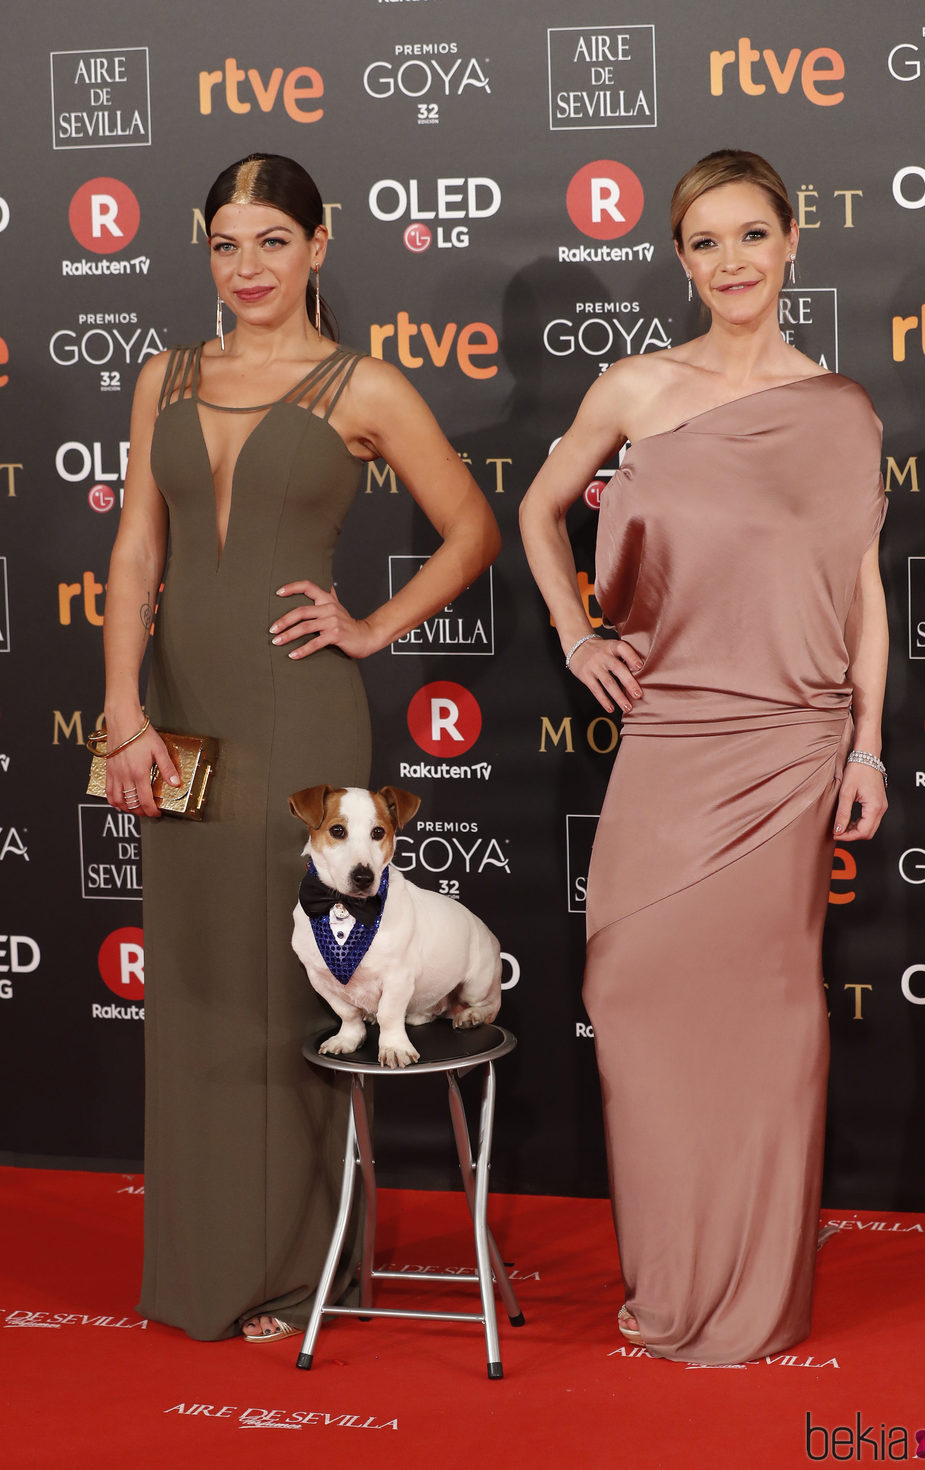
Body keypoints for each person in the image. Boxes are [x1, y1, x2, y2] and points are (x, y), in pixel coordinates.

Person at [100, 153, 500, 1343]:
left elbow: (473, 523)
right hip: (175, 716)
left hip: (300, 718)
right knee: (196, 983)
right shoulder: (163, 374)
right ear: (203, 251)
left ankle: (291, 1276)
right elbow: (134, 549)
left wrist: (371, 626)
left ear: (319, 249)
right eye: (227, 243)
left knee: (298, 987)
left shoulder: (360, 386)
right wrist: (120, 706)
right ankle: (196, 1265)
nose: (248, 266)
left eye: (273, 240)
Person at [519, 149, 887, 1365]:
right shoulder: (634, 388)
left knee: (768, 1020)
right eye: (704, 243)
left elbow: (863, 596)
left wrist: (868, 749)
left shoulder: (835, 411)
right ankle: (671, 1282)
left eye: (750, 236)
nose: (730, 262)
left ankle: (753, 1296)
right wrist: (576, 633)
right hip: (669, 735)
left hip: (790, 748)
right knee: (629, 997)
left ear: (791, 242)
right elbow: (536, 507)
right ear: (679, 260)